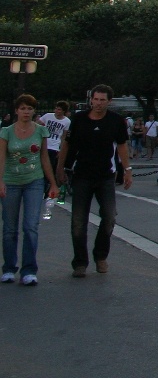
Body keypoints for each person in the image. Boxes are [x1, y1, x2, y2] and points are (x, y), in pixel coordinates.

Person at [57, 84, 132, 277]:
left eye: (102, 100)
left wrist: (127, 170)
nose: (98, 103)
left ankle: (101, 256)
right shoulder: (79, 119)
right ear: (91, 100)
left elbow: (122, 146)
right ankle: (80, 262)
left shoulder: (116, 121)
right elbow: (67, 144)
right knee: (78, 221)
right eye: (95, 99)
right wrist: (60, 168)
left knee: (109, 217)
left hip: (105, 176)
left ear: (109, 101)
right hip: (81, 174)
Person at [1, 94, 59, 285]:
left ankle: (29, 270)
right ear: (16, 110)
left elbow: (44, 157)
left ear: (34, 111)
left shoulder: (41, 131)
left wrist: (53, 183)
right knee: (10, 228)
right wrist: (0, 181)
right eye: (23, 108)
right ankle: (9, 268)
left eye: (30, 108)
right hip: (11, 181)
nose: (26, 112)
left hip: (34, 180)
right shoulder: (6, 132)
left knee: (30, 226)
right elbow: (1, 158)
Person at [37, 101, 71, 179]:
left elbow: (63, 136)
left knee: (50, 166)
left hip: (54, 146)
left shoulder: (67, 121)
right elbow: (37, 124)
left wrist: (61, 149)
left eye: (59, 109)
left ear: (63, 111)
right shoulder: (48, 116)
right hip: (43, 144)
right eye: (56, 109)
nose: (56, 111)